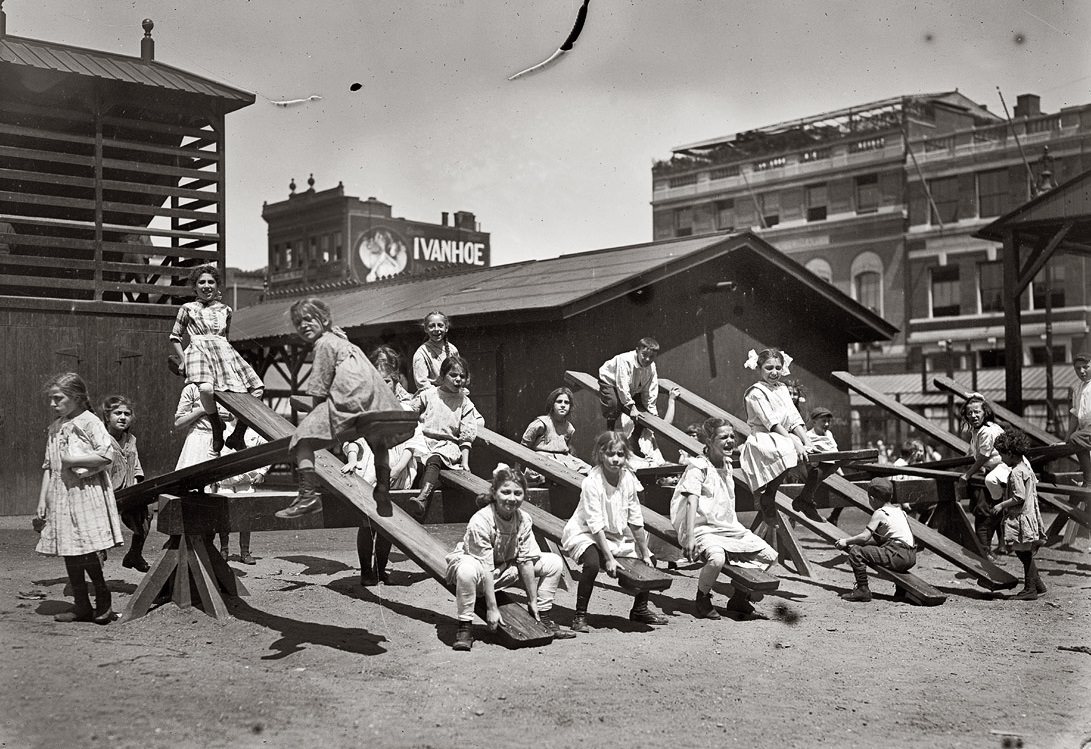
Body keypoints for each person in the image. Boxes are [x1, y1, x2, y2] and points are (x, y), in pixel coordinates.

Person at [277, 298, 408, 520]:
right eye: (298, 323)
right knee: (378, 442)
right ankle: (383, 489)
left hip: (350, 401)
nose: (303, 326)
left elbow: (319, 386)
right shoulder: (345, 342)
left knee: (301, 441)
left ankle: (307, 496)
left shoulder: (324, 344)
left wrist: (316, 418)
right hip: (376, 401)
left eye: (309, 319)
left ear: (324, 320)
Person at [445, 465, 576, 651]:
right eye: (505, 492)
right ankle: (465, 627)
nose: (512, 499)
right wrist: (491, 608)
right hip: (480, 571)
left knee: (554, 562)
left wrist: (532, 601)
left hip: (506, 567)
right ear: (495, 492)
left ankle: (543, 618)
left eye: (518, 493)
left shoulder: (523, 519)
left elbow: (525, 560)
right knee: (466, 571)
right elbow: (486, 567)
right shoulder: (481, 520)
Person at [36, 374, 124, 624]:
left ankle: (103, 603)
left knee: (86, 549)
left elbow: (106, 456)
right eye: (51, 399)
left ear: (75, 397)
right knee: (70, 550)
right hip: (62, 495)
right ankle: (81, 605)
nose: (53, 403)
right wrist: (43, 499)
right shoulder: (55, 427)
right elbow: (49, 466)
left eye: (58, 398)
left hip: (86, 493)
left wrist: (73, 461)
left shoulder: (90, 422)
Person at [560, 431, 668, 632]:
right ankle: (580, 615)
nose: (616, 459)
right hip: (586, 532)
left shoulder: (627, 479)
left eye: (620, 454)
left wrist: (645, 552)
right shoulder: (592, 482)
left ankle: (640, 609)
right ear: (601, 454)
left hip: (615, 533)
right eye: (611, 454)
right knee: (592, 564)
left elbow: (635, 518)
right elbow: (595, 524)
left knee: (650, 561)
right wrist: (608, 559)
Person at [671, 418, 777, 619]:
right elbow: (691, 502)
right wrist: (690, 536)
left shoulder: (727, 464)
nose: (730, 441)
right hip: (701, 527)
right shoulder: (698, 466)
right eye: (723, 437)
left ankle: (739, 597)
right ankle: (702, 597)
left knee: (769, 555)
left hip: (727, 527)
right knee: (717, 559)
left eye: (731, 436)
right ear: (709, 441)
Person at [342, 359, 422, 585]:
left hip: (397, 467)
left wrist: (397, 469)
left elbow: (413, 443)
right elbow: (354, 439)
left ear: (395, 381)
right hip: (370, 467)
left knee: (388, 523)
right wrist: (351, 458)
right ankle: (366, 571)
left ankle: (380, 569)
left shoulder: (406, 409)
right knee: (367, 522)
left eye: (386, 380)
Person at [169, 264, 263, 454]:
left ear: (217, 286)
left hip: (223, 352)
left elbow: (225, 338)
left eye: (210, 282)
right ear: (195, 287)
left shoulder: (226, 310)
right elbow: (175, 337)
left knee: (258, 388)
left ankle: (237, 434)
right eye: (201, 282)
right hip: (198, 350)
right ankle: (216, 426)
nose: (206, 286)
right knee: (205, 388)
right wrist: (183, 359)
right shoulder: (187, 308)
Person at [738, 348, 819, 524]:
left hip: (784, 435)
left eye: (778, 367)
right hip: (764, 436)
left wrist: (806, 441)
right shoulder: (755, 392)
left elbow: (793, 418)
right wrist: (795, 443)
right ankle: (769, 494)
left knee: (823, 453)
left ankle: (806, 497)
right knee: (789, 449)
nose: (774, 372)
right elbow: (772, 423)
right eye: (769, 368)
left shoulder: (782, 388)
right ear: (759, 369)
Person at [406, 356, 484, 519]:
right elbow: (410, 411)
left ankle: (422, 498)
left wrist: (465, 462)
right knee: (411, 460)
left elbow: (466, 435)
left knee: (434, 459)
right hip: (425, 443)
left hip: (447, 447)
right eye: (453, 375)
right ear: (442, 375)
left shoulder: (465, 402)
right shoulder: (429, 395)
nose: (458, 380)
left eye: (462, 376)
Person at [834, 478, 916, 603]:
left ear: (872, 498)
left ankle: (862, 590)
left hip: (897, 553)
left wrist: (846, 541)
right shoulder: (900, 511)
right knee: (878, 544)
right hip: (910, 555)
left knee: (856, 552)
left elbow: (865, 536)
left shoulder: (880, 513)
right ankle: (901, 590)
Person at [992, 429, 1047, 599]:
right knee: (1024, 552)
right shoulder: (1025, 468)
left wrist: (1001, 504)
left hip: (1021, 516)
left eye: (1002, 454)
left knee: (1023, 553)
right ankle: (1038, 584)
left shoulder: (1016, 472)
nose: (1001, 458)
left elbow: (1019, 497)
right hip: (1029, 515)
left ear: (1010, 453)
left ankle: (1030, 589)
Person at [100, 395, 149, 572]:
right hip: (104, 493)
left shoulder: (131, 440)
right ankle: (98, 559)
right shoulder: (100, 438)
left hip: (127, 492)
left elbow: (136, 466)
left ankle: (135, 554)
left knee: (145, 514)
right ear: (107, 417)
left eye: (127, 414)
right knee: (99, 530)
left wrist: (137, 485)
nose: (122, 417)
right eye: (117, 413)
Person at [958, 394, 1007, 556]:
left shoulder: (987, 431)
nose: (973, 416)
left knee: (982, 512)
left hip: (994, 473)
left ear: (985, 412)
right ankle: (998, 546)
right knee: (995, 511)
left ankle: (984, 551)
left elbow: (984, 456)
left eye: (977, 412)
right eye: (969, 413)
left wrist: (967, 474)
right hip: (993, 474)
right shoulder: (980, 430)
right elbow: (976, 452)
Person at [216, 430, 271, 565]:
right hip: (226, 482)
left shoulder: (254, 432)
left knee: (246, 518)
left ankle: (245, 552)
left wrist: (262, 473)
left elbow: (268, 451)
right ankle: (224, 550)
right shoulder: (222, 428)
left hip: (246, 483)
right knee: (224, 517)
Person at [597, 338, 660, 456]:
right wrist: (631, 407)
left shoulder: (652, 367)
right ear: (637, 351)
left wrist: (651, 410)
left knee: (644, 413)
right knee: (614, 404)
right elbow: (622, 385)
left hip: (632, 388)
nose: (647, 359)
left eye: (651, 357)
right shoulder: (624, 360)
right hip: (612, 382)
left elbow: (650, 390)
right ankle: (610, 434)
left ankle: (634, 440)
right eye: (644, 355)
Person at [520, 387, 592, 476]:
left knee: (588, 470)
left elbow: (566, 448)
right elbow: (524, 446)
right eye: (559, 401)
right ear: (552, 404)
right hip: (541, 459)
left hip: (563, 459)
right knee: (558, 468)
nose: (563, 405)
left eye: (566, 402)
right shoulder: (541, 423)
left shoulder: (569, 428)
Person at [411, 311, 460, 392]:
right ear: (426, 329)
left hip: (453, 393)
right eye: (432, 326)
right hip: (432, 396)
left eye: (440, 325)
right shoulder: (421, 353)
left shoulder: (453, 350)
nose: (436, 329)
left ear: (446, 328)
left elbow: (458, 374)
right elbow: (422, 383)